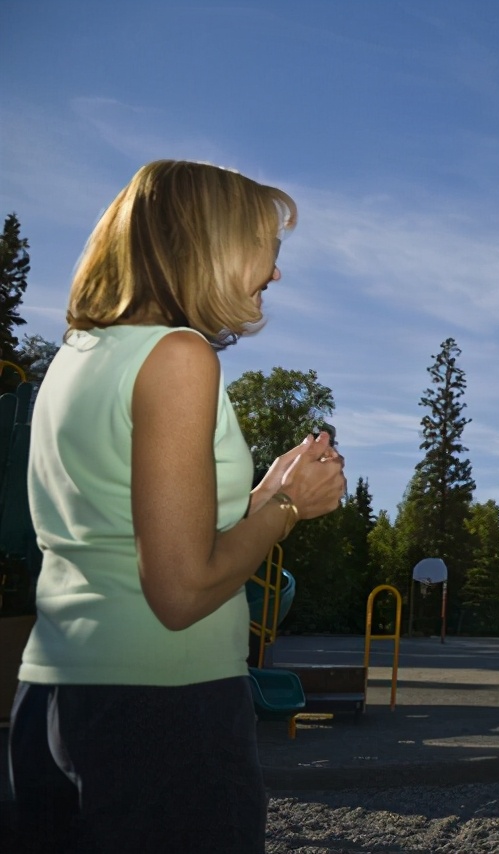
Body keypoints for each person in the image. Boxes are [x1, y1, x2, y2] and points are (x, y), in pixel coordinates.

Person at [8, 160, 348, 852]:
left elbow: (133, 526)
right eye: (269, 251)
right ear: (210, 245)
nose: (276, 274)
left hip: (52, 699)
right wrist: (289, 512)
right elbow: (182, 589)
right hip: (161, 712)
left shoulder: (80, 354)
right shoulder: (181, 356)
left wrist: (264, 494)